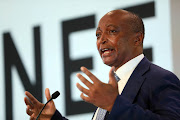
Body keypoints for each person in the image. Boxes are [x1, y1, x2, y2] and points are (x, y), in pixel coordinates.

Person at [24, 9, 180, 120]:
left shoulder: (160, 79)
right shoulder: (114, 84)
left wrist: (114, 104)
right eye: (98, 34)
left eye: (111, 31)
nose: (101, 40)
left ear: (137, 39)